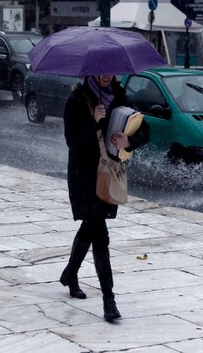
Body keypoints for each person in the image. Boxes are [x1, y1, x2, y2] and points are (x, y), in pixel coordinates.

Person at [61, 74, 150, 322]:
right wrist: (93, 121)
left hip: (106, 174)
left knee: (91, 227)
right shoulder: (77, 99)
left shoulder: (120, 97)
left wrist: (129, 140)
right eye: (101, 70)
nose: (106, 75)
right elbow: (72, 141)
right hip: (83, 175)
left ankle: (71, 273)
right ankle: (108, 300)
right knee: (99, 231)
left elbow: (145, 128)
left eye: (110, 70)